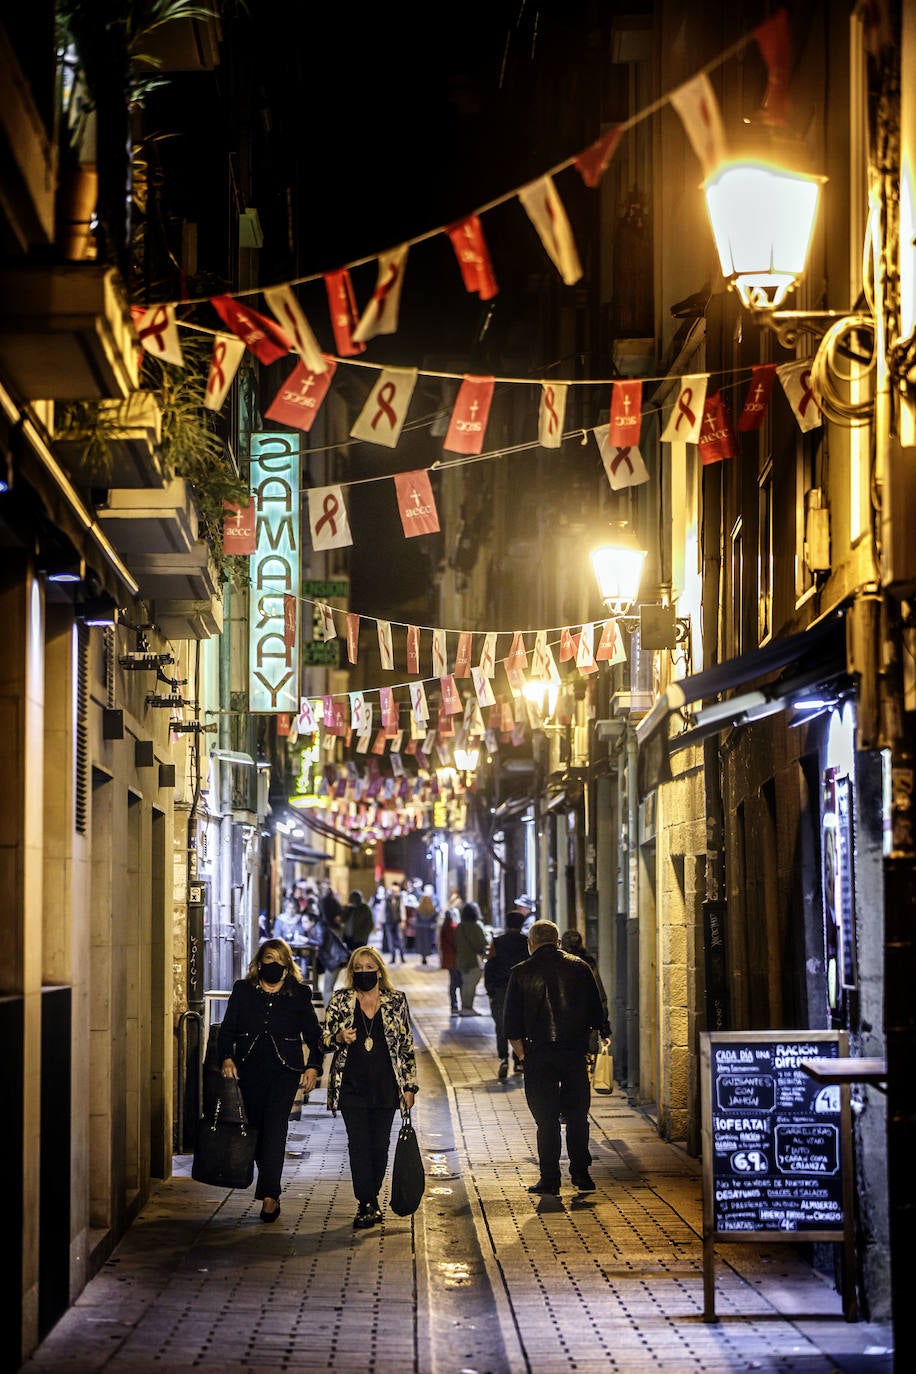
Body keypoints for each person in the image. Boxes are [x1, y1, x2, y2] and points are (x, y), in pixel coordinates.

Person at [217, 939, 323, 1222]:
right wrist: (226, 1057)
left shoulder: (298, 994)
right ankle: (269, 1187)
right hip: (249, 1070)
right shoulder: (243, 990)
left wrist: (313, 1066)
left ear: (287, 965)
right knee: (256, 1131)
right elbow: (227, 1030)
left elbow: (314, 1036)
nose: (272, 964)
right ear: (258, 962)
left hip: (284, 1072)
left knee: (276, 1130)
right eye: (267, 958)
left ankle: (269, 1196)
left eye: (278, 959)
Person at [504, 919, 610, 1196]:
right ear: (558, 942)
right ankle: (581, 1174)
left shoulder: (520, 973)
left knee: (546, 1120)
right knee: (577, 1116)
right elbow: (596, 1010)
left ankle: (549, 1179)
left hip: (538, 1054)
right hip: (573, 1053)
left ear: (531, 944)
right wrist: (600, 1036)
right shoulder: (579, 967)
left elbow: (511, 1025)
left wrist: (524, 1055)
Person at [321, 946, 419, 1229]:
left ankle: (372, 1195)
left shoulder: (396, 1001)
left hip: (386, 1086)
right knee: (359, 1145)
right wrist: (339, 1037)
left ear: (379, 970)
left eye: (369, 967)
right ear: (352, 972)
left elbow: (406, 1046)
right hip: (351, 1086)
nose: (364, 972)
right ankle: (366, 1202)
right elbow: (323, 1041)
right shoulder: (341, 1001)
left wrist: (410, 1087)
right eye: (358, 968)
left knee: (380, 1146)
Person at [484, 909, 529, 1078]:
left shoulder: (498, 942)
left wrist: (490, 990)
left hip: (501, 990)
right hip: (522, 990)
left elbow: (489, 966)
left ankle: (503, 1058)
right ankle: (519, 1060)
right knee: (521, 1025)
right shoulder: (526, 942)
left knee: (502, 1026)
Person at [560, 928, 610, 1066]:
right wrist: (604, 1030)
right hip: (586, 1025)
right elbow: (600, 997)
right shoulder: (588, 963)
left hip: (562, 1027)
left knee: (565, 1068)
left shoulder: (557, 965)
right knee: (586, 1066)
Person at [454, 900, 489, 1014]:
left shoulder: (459, 927)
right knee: (470, 984)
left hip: (461, 959)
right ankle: (467, 1007)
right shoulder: (475, 927)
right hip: (473, 959)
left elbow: (455, 943)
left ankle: (465, 1007)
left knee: (465, 983)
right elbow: (482, 942)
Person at [438, 904, 461, 1013]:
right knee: (457, 982)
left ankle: (454, 1003)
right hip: (455, 958)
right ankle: (456, 1004)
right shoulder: (453, 927)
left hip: (448, 958)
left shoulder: (444, 927)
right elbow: (456, 943)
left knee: (453, 981)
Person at [414, 884, 438, 965]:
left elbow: (416, 918)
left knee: (421, 943)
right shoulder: (432, 909)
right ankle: (426, 956)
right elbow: (435, 918)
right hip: (428, 929)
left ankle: (423, 957)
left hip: (420, 928)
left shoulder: (419, 908)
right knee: (427, 943)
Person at [384, 882, 406, 964]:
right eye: (393, 891)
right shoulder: (387, 899)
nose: (395, 893)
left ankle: (402, 957)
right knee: (390, 940)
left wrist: (403, 920)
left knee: (400, 940)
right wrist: (380, 922)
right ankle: (393, 957)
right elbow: (383, 911)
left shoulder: (400, 899)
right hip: (389, 922)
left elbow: (402, 910)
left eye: (396, 891)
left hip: (398, 922)